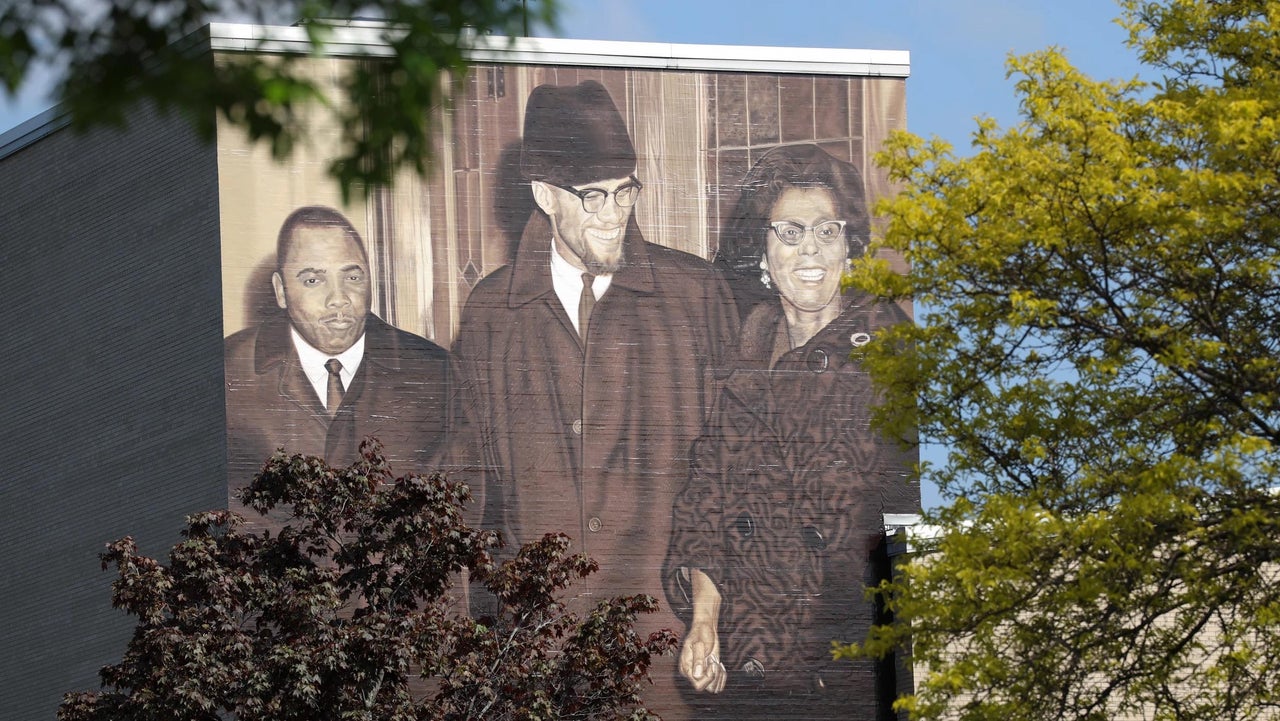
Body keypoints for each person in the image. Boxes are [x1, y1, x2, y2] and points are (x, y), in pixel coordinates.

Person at [448, 80, 738, 719]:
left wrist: (710, 616)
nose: (614, 214)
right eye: (593, 197)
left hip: (669, 657)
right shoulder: (491, 313)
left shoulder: (695, 296)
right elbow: (470, 497)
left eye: (625, 191)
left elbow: (730, 479)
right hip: (538, 668)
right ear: (545, 195)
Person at [665, 144, 920, 720]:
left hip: (855, 680)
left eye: (827, 231)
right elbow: (707, 503)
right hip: (756, 682)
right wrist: (705, 620)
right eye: (789, 231)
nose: (810, 249)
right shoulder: (743, 365)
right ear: (762, 252)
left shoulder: (892, 359)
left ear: (850, 249)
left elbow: (911, 527)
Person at [224, 205, 450, 491]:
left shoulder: (435, 373)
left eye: (352, 277)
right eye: (313, 280)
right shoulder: (228, 372)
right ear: (281, 291)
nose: (338, 299)